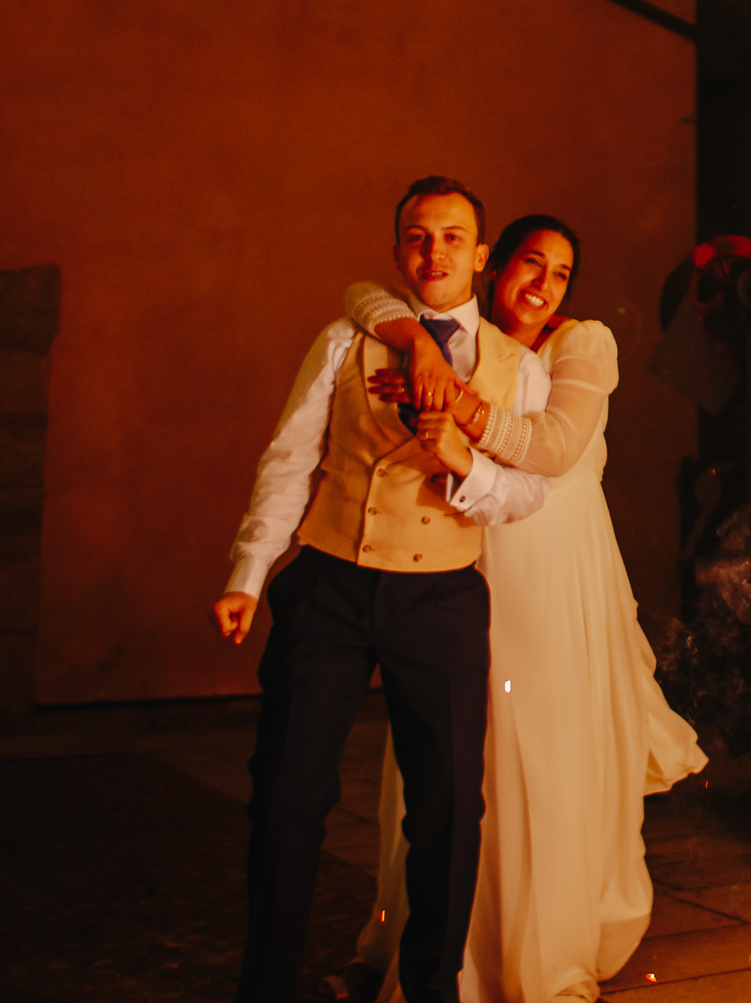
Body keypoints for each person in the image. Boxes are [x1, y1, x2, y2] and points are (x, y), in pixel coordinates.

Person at [335, 213, 706, 1003]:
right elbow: (363, 294)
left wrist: (450, 401)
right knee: (456, 744)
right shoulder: (450, 331)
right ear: (491, 265)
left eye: (561, 274)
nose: (542, 286)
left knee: (543, 749)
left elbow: (554, 448)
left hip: (558, 568)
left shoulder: (584, 343)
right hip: (470, 549)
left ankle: (544, 944)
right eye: (530, 265)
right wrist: (421, 347)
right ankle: (439, 938)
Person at [214, 177, 554, 1003]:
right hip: (327, 585)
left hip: (439, 601)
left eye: (451, 237)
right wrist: (249, 575)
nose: (432, 251)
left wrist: (463, 463)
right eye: (416, 235)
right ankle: (264, 986)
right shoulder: (345, 338)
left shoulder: (518, 370)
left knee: (445, 813)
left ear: (480, 254)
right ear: (398, 248)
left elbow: (528, 493)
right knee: (288, 795)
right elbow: (290, 457)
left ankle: (432, 988)